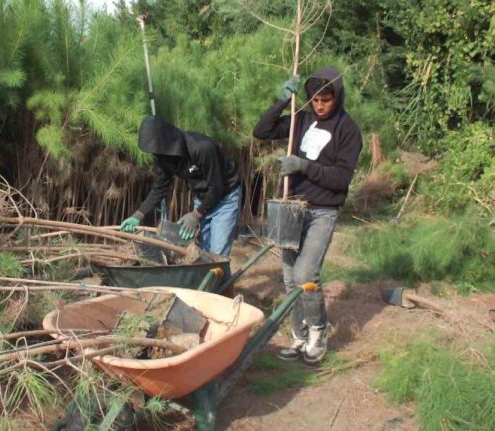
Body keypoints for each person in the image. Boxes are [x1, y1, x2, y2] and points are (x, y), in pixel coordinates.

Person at [253, 66, 362, 364]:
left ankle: (318, 331)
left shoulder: (347, 129)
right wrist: (282, 101)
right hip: (293, 208)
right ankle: (299, 337)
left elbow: (340, 178)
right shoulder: (301, 120)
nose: (320, 105)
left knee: (305, 274)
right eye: (315, 99)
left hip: (322, 212)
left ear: (336, 97)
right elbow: (261, 131)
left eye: (326, 99)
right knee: (289, 278)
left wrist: (303, 166)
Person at [119, 116, 241, 257]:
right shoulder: (163, 157)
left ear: (166, 142)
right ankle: (207, 278)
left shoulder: (201, 148)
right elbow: (160, 187)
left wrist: (196, 214)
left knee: (217, 254)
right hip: (203, 199)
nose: (156, 155)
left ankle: (220, 278)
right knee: (202, 252)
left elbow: (217, 187)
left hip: (225, 198)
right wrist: (138, 214)